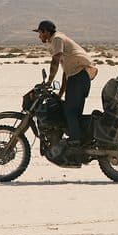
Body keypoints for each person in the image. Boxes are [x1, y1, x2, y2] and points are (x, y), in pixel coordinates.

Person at [36, 19, 97, 151]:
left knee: (70, 111)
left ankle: (75, 141)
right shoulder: (60, 39)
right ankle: (81, 140)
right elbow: (66, 72)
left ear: (46, 31)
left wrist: (49, 82)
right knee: (73, 112)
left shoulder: (56, 39)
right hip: (79, 77)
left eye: (40, 32)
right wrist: (60, 93)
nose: (39, 36)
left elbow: (55, 60)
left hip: (79, 78)